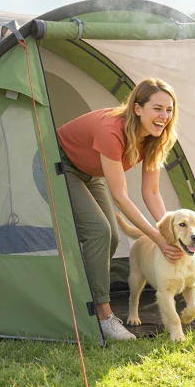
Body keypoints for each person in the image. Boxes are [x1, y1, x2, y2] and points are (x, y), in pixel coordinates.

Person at [55, 77, 182, 341]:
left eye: (169, 110)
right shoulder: (112, 130)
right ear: (137, 108)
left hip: (89, 174)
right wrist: (158, 239)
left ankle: (83, 303)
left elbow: (152, 192)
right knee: (99, 231)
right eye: (157, 108)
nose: (164, 116)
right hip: (57, 164)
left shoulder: (155, 138)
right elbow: (121, 197)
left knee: (111, 235)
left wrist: (172, 232)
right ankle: (103, 317)